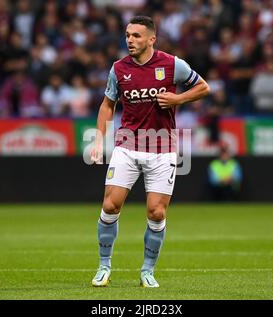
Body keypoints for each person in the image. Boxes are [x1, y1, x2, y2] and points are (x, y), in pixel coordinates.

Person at [90, 16, 210, 288]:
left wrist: (178, 98)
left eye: (136, 36)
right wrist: (98, 141)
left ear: (151, 39)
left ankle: (147, 271)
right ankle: (104, 266)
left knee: (156, 212)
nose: (130, 40)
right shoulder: (119, 69)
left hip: (162, 147)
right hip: (127, 145)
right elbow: (107, 105)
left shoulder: (172, 65)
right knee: (110, 205)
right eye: (128, 35)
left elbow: (204, 87)